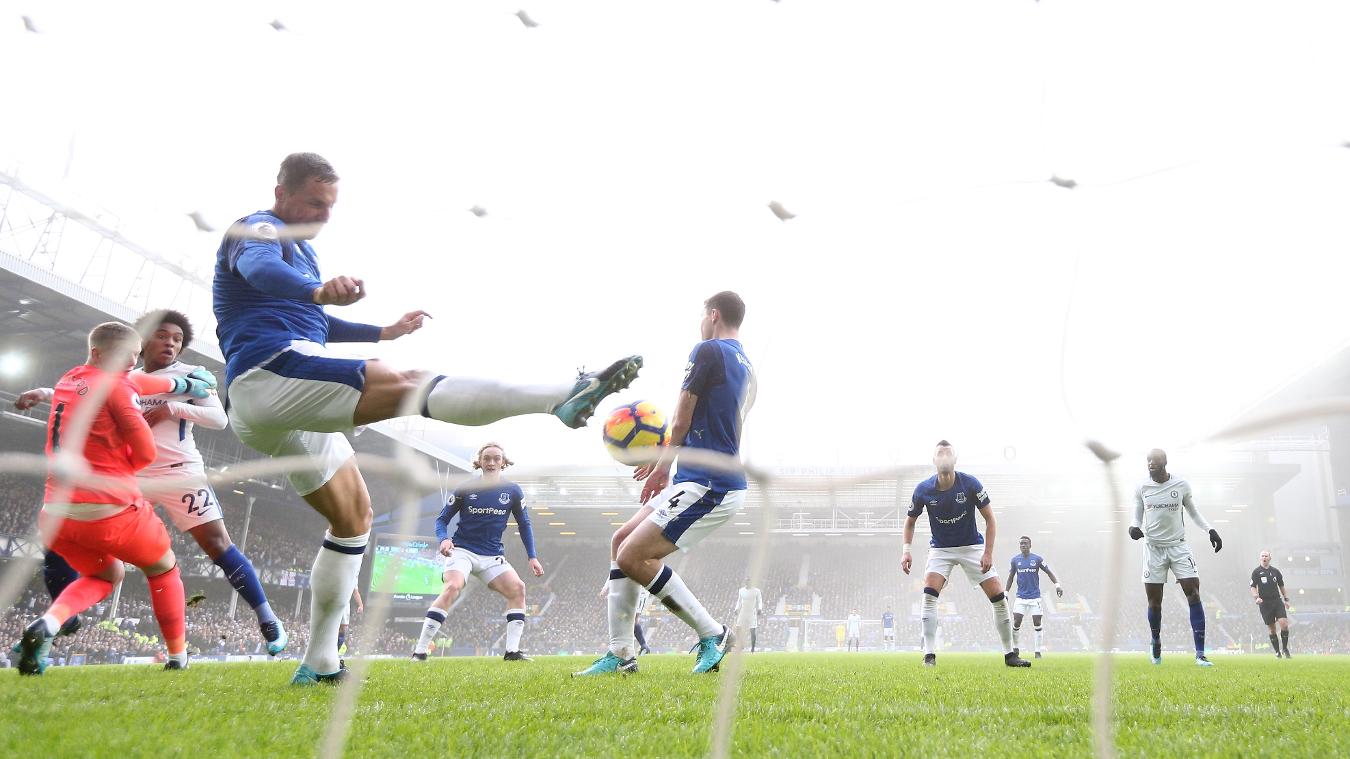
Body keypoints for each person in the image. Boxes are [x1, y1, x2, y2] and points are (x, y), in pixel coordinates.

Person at [213, 153, 639, 684]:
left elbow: (314, 320)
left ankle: (319, 662)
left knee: (354, 521)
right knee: (409, 383)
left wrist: (382, 331)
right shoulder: (257, 228)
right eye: (314, 203)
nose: (323, 215)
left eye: (330, 206)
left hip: (281, 401)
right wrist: (316, 291)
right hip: (268, 374)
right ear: (281, 192)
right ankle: (561, 396)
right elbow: (262, 271)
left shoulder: (302, 253)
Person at [16, 310, 287, 655]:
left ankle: (267, 619)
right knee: (66, 539)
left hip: (180, 472)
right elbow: (87, 393)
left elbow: (219, 419)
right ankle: (56, 624)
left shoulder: (191, 375)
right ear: (142, 342)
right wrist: (46, 392)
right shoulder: (127, 375)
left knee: (217, 544)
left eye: (177, 339)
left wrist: (174, 409)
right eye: (162, 336)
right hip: (134, 476)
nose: (170, 343)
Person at [576, 291, 757, 676]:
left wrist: (662, 467)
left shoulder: (708, 350)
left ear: (713, 315)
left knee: (633, 557)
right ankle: (621, 653)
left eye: (702, 316)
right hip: (699, 475)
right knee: (620, 542)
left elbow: (682, 417)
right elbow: (718, 425)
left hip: (711, 483)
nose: (700, 323)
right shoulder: (748, 368)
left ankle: (713, 633)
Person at [14, 323, 191, 674]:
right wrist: (121, 466)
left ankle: (48, 624)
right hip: (109, 509)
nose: (132, 362)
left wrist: (182, 385)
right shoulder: (119, 386)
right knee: (164, 567)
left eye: (135, 355)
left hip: (57, 515)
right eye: (125, 355)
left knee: (107, 574)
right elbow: (146, 453)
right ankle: (178, 656)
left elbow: (138, 382)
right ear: (97, 353)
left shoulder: (70, 379)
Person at [901, 440, 1028, 668]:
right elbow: (910, 522)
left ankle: (1010, 655)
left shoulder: (970, 484)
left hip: (971, 546)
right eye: (940, 453)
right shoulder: (923, 490)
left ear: (955, 459)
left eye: (948, 453)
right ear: (934, 460)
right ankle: (929, 655)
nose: (944, 456)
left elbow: (990, 519)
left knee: (999, 597)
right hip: (940, 549)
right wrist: (906, 551)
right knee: (929, 595)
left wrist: (988, 553)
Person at [411, 443, 542, 662]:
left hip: (492, 555)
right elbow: (442, 519)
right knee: (452, 587)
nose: (491, 462)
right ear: (479, 462)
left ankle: (512, 652)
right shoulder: (466, 488)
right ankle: (420, 651)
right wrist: (444, 539)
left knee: (518, 589)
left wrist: (532, 556)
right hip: (462, 550)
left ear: (503, 462)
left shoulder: (513, 491)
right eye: (487, 458)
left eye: (496, 458)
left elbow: (524, 524)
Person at [1130, 448, 1222, 666]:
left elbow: (1194, 512)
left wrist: (1210, 530)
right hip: (1153, 549)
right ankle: (1155, 641)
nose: (1150, 463)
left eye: (1155, 460)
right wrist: (1133, 528)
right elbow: (1137, 515)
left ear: (1165, 462)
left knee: (1194, 593)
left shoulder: (1181, 485)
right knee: (1154, 602)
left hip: (1179, 547)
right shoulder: (1142, 487)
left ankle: (1200, 654)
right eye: (1148, 460)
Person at [1003, 535, 1064, 659]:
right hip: (1020, 597)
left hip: (1035, 597)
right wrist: (1006, 592)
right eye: (1021, 543)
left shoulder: (1037, 559)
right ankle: (1016, 648)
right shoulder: (1015, 560)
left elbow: (1049, 572)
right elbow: (1010, 577)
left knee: (1037, 622)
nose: (1023, 545)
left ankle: (1037, 651)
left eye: (1025, 543)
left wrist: (1057, 585)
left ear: (1030, 545)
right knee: (1016, 622)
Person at [1250, 550, 1292, 658]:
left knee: (1284, 624)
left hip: (1277, 601)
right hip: (1264, 603)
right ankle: (1277, 652)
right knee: (1272, 629)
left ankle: (1285, 648)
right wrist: (1256, 597)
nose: (1264, 557)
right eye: (1262, 556)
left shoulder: (1275, 571)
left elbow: (1281, 586)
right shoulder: (1256, 572)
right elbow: (1253, 586)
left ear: (1269, 558)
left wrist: (1286, 599)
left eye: (1266, 556)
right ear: (1260, 558)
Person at [733, 579, 763, 652]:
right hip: (743, 612)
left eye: (749, 582)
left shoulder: (756, 591)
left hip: (752, 613)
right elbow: (739, 601)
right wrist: (736, 609)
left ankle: (753, 648)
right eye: (746, 582)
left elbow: (759, 600)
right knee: (738, 629)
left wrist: (760, 608)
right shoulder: (741, 590)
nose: (748, 583)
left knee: (752, 631)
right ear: (745, 582)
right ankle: (741, 645)